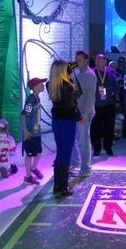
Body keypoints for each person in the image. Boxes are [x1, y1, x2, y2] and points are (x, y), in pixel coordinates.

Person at [47, 60, 81, 196]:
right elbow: (78, 94)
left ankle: (57, 184)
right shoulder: (68, 86)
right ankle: (63, 186)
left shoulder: (50, 84)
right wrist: (72, 76)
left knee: (60, 151)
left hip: (57, 120)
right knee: (66, 153)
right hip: (67, 121)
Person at [70, 50, 97, 177]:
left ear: (86, 60)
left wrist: (85, 113)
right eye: (77, 60)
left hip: (84, 112)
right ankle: (76, 162)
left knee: (84, 140)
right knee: (77, 139)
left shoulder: (89, 75)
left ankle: (85, 168)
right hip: (78, 111)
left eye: (80, 60)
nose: (77, 62)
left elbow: (91, 96)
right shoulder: (80, 74)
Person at [90, 53, 119, 156]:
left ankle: (108, 147)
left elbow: (115, 87)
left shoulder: (111, 71)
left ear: (105, 61)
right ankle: (96, 148)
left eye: (100, 60)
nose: (97, 62)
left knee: (109, 127)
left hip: (109, 104)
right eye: (96, 60)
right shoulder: (92, 72)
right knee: (95, 128)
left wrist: (117, 99)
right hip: (95, 105)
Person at [21, 77, 46, 185]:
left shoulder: (37, 98)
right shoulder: (31, 100)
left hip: (36, 131)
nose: (43, 86)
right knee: (29, 154)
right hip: (30, 132)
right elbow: (23, 115)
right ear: (35, 87)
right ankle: (27, 176)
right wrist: (25, 130)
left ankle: (33, 168)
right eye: (41, 84)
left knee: (39, 152)